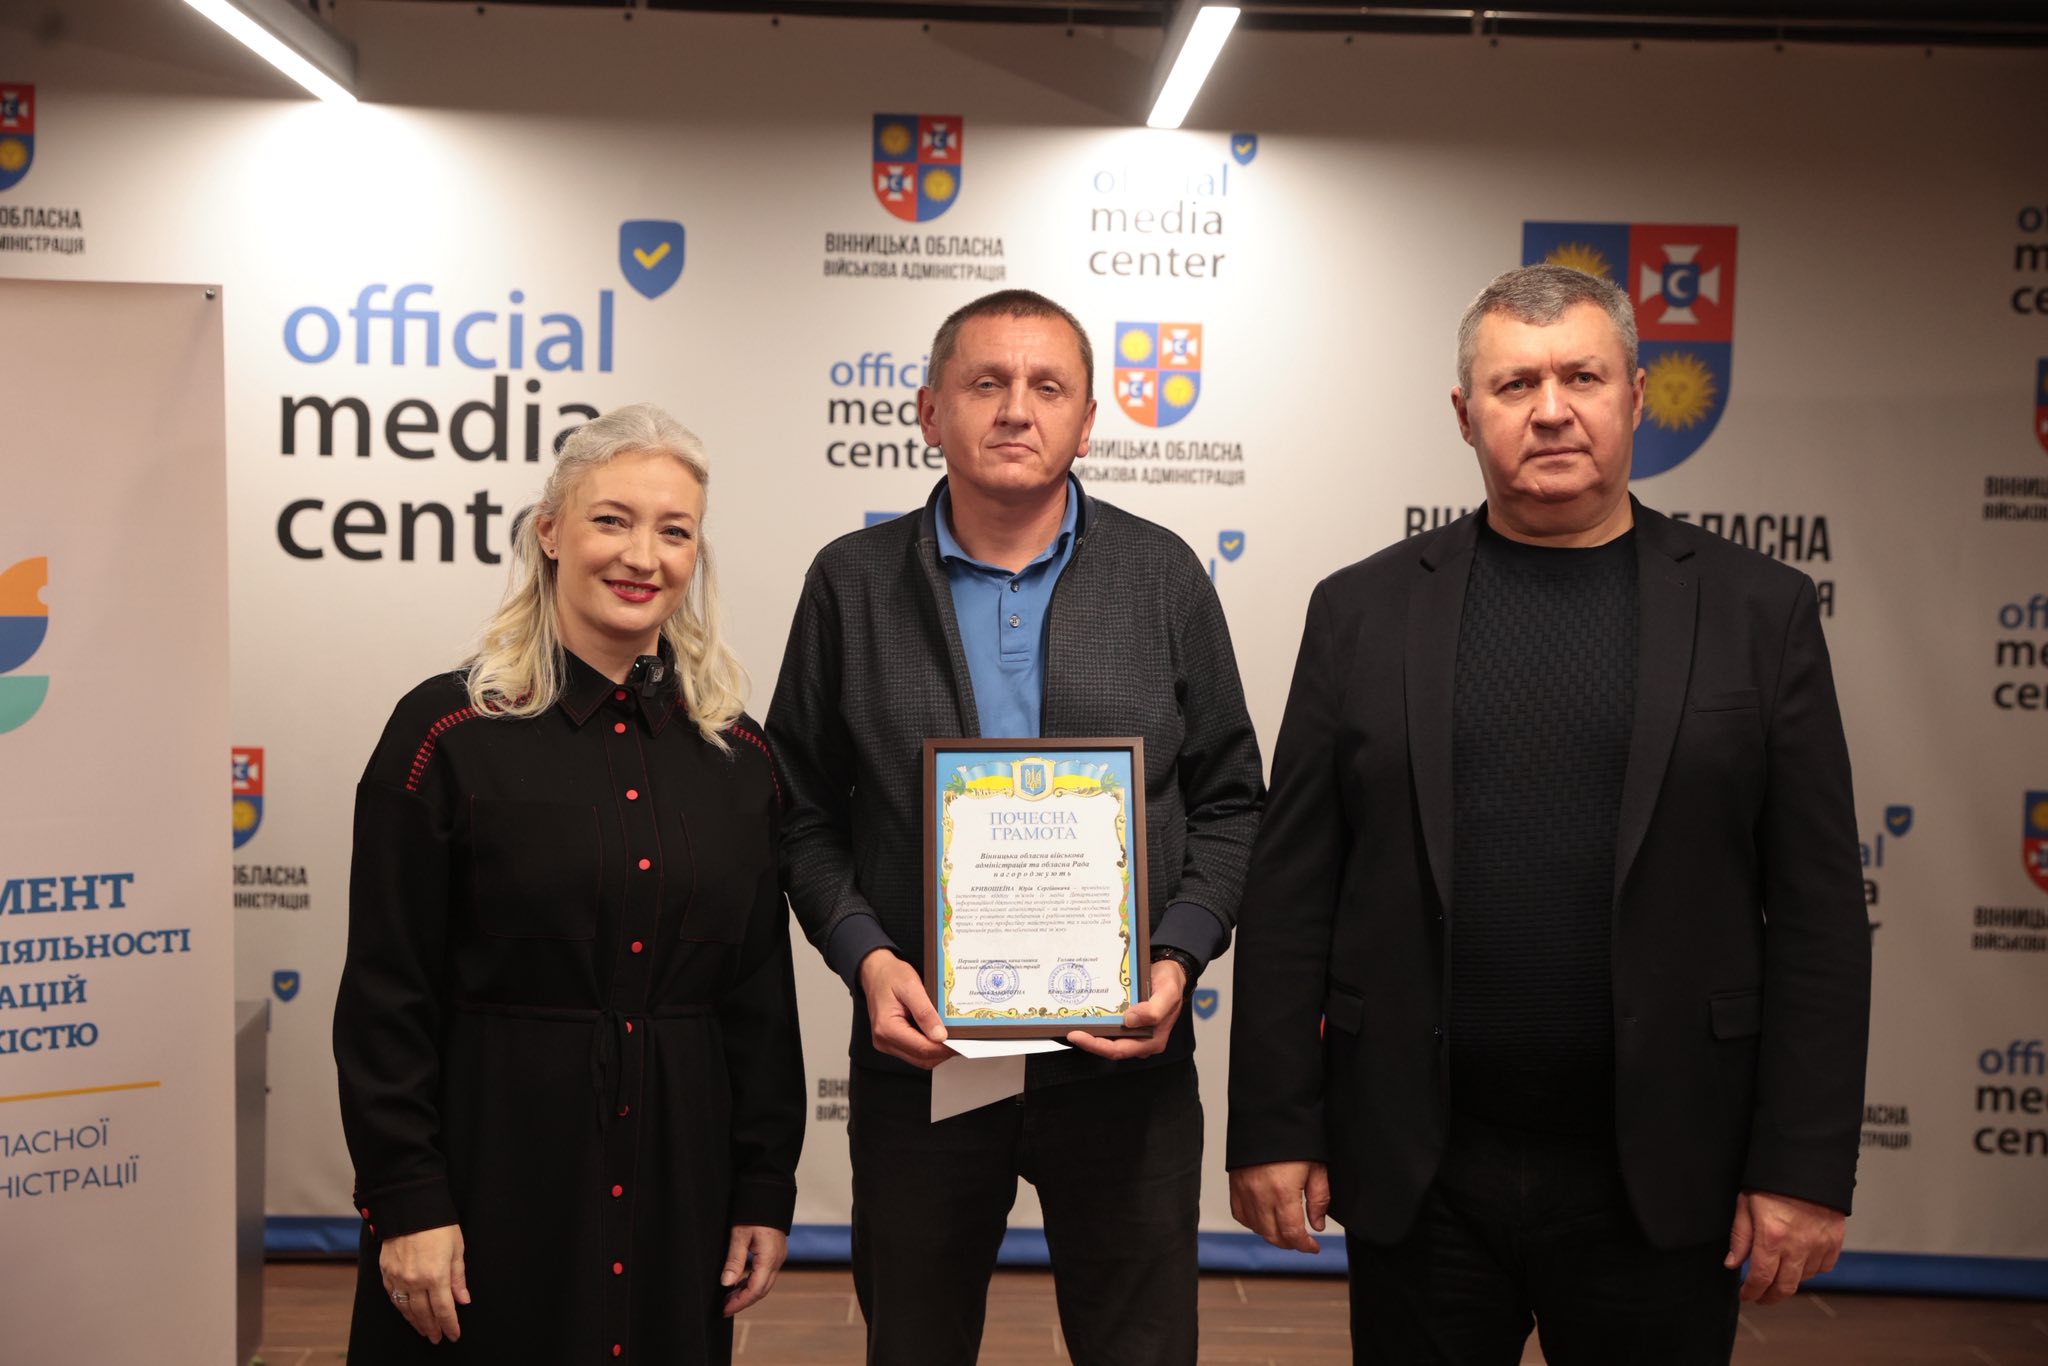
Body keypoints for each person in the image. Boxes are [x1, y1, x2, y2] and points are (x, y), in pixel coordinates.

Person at [1226, 264, 1870, 1365]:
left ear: (1634, 396)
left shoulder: (1757, 611)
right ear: (1464, 412)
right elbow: (1293, 894)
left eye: (1582, 376)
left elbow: (1817, 914)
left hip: (1664, 1170)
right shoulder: (1360, 609)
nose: (1551, 409)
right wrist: (1275, 1123)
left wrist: (1802, 1165)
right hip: (1421, 1171)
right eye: (1515, 383)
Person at [767, 289, 1263, 1366]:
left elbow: (1231, 804)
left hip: (1123, 1058)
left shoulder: (1164, 575)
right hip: (927, 1054)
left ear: (1086, 423)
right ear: (927, 411)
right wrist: (867, 958)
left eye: (1047, 387)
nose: (1014, 409)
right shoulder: (850, 584)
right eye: (985, 382)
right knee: (914, 1343)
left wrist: (1177, 958)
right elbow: (798, 813)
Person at [333, 403, 804, 1363]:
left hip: (679, 1190)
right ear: (549, 531)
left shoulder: (739, 757)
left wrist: (764, 1186)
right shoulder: (445, 736)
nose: (643, 556)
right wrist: (407, 1199)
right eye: (612, 520)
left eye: (674, 531)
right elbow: (387, 993)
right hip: (492, 1183)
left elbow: (757, 1000)